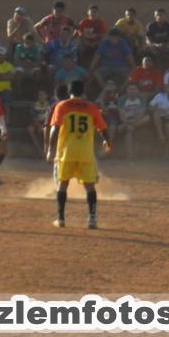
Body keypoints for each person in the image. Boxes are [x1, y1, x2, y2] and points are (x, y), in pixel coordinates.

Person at [46, 80, 112, 229]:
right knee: (90, 186)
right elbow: (103, 129)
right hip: (85, 152)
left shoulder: (61, 106)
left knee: (63, 184)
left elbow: (54, 129)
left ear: (69, 93)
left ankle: (61, 219)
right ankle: (92, 219)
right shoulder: (91, 108)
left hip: (67, 151)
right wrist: (108, 142)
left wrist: (50, 149)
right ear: (83, 92)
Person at [149, 80, 169, 159]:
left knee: (168, 128)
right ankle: (161, 135)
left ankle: (167, 152)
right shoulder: (159, 95)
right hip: (158, 117)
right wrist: (157, 108)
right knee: (156, 113)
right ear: (167, 87)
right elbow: (150, 106)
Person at [118, 82, 150, 161]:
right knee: (129, 129)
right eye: (130, 89)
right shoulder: (122, 99)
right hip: (125, 119)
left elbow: (141, 112)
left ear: (138, 91)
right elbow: (122, 114)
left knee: (147, 117)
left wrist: (134, 121)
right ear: (126, 90)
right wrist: (127, 122)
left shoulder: (142, 98)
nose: (132, 91)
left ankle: (125, 127)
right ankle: (130, 155)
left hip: (137, 119)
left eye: (134, 89)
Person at [13, 33, 42, 100]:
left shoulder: (36, 48)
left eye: (29, 42)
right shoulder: (19, 47)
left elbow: (38, 63)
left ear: (33, 42)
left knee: (37, 72)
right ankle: (18, 95)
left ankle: (35, 94)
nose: (27, 44)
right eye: (25, 42)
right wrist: (27, 65)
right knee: (18, 73)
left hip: (32, 67)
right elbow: (16, 62)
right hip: (22, 67)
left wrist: (29, 65)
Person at [95, 79, 120, 156]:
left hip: (114, 118)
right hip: (102, 117)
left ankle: (104, 151)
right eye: (107, 84)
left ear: (115, 87)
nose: (109, 85)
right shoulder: (101, 97)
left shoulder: (119, 96)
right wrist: (104, 92)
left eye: (112, 84)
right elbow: (101, 107)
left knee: (112, 127)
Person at [27, 88, 50, 157]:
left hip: (47, 122)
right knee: (30, 129)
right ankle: (39, 149)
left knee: (48, 130)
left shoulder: (49, 105)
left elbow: (50, 117)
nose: (41, 96)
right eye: (40, 95)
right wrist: (40, 126)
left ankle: (47, 150)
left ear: (46, 96)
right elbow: (34, 117)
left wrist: (44, 126)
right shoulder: (35, 105)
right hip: (38, 123)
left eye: (43, 94)